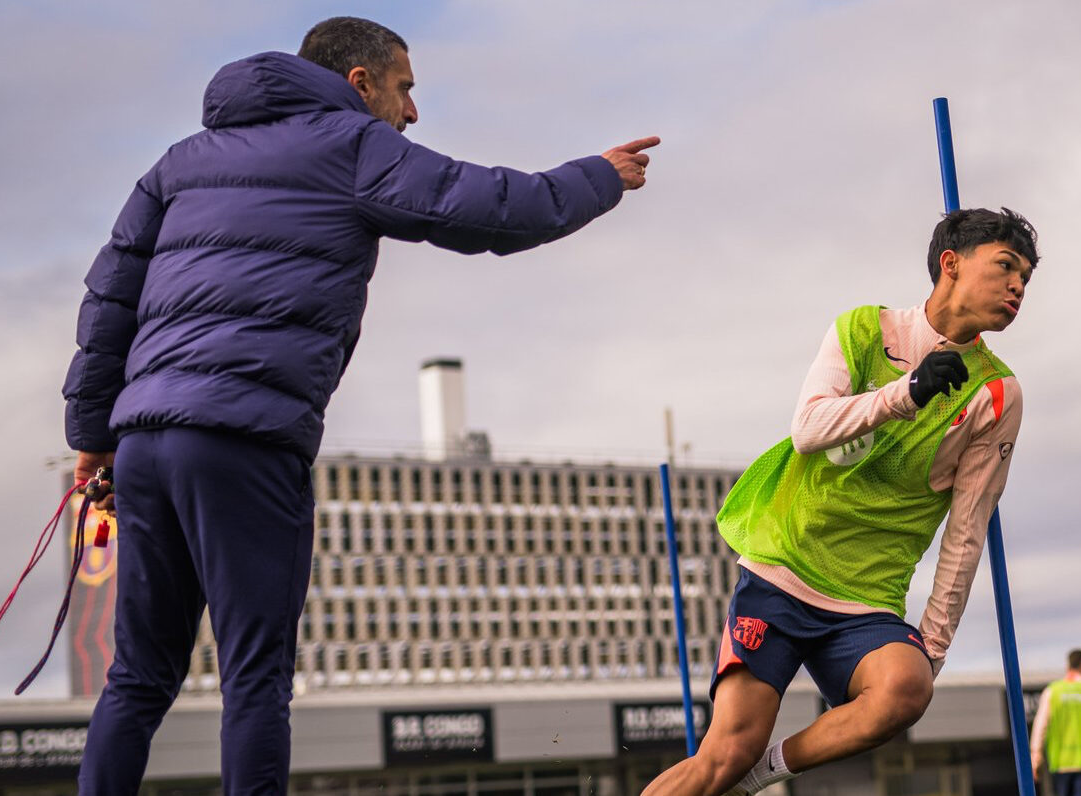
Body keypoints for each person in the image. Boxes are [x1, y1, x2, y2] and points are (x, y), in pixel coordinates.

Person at [63, 16, 658, 795]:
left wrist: (91, 434)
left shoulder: (179, 164)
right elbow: (487, 208)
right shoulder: (352, 146)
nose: (412, 113)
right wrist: (599, 176)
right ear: (361, 83)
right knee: (255, 675)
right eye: (405, 89)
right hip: (245, 439)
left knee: (138, 675)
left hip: (144, 441)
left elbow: (110, 301)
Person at [641, 208, 1038, 796]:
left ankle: (762, 772)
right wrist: (905, 393)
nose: (1018, 288)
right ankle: (739, 767)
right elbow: (808, 428)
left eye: (1027, 280)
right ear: (950, 265)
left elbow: (967, 528)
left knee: (907, 688)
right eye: (1007, 267)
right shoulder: (863, 330)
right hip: (783, 571)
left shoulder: (997, 393)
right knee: (723, 753)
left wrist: (932, 646)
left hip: (865, 599)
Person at [1030, 649, 1081, 796]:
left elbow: (1040, 727)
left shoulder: (1052, 692)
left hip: (1060, 765)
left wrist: (1036, 756)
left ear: (1067, 666)